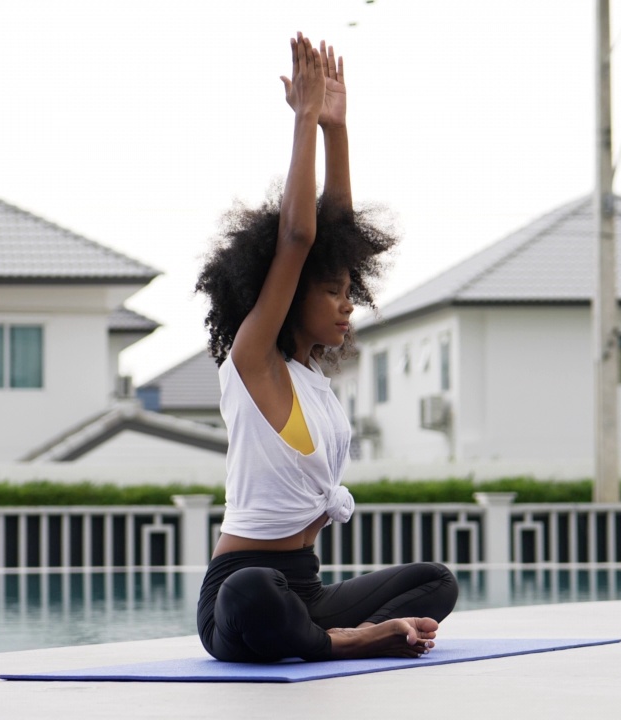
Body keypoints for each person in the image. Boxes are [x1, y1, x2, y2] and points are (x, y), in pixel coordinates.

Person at [193, 33, 458, 663]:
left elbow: (334, 232)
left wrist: (338, 130)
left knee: (436, 582)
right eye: (333, 290)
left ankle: (326, 638)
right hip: (240, 594)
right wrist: (305, 122)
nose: (348, 303)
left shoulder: (311, 378)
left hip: (305, 592)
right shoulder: (254, 364)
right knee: (254, 593)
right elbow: (299, 235)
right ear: (287, 296)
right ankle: (352, 642)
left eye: (349, 291)